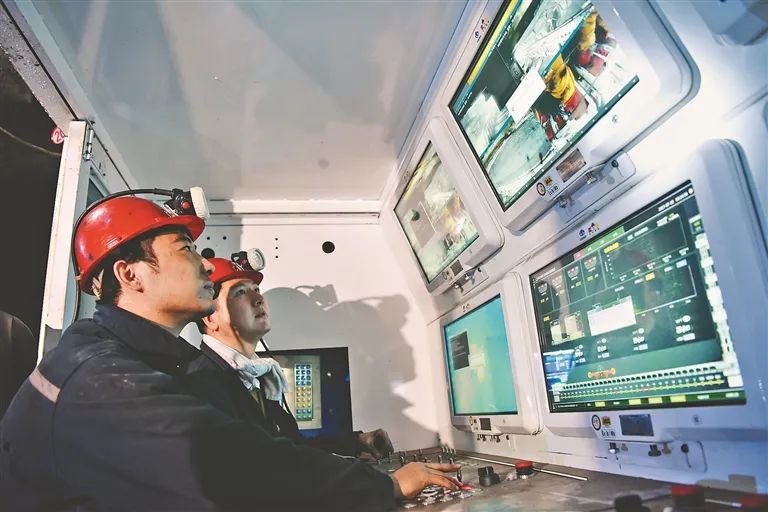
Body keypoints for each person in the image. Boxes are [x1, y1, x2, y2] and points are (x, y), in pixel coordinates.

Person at [0, 192, 459, 512]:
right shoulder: (96, 375)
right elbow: (232, 465)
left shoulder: (146, 361)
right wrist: (384, 486)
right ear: (130, 275)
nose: (204, 262)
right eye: (185, 249)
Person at [187, 255, 393, 459]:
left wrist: (356, 442)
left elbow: (291, 446)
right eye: (240, 292)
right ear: (210, 317)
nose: (258, 299)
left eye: (256, 290)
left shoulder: (259, 374)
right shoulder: (203, 383)